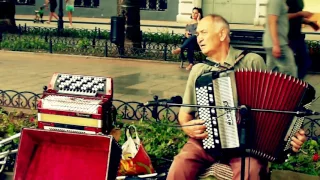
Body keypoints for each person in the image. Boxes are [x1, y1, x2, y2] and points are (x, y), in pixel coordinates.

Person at [166, 14, 307, 180]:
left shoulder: (251, 61)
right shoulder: (199, 70)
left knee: (251, 170)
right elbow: (185, 114)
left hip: (246, 145)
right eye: (197, 34)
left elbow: (272, 107)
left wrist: (291, 136)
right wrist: (187, 127)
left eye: (203, 32)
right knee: (180, 164)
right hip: (206, 141)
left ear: (222, 34)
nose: (199, 38)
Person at [262, 0, 298, 77]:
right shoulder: (276, 1)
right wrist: (276, 44)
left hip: (275, 43)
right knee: (290, 73)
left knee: (272, 74)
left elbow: (282, 18)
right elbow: (272, 21)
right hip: (278, 44)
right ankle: (290, 89)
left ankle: (269, 88)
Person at [286, 0, 319, 79]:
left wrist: (309, 23)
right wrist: (300, 14)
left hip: (298, 37)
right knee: (287, 65)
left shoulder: (299, 1)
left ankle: (296, 83)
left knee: (306, 62)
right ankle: (289, 84)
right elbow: (282, 17)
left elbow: (296, 18)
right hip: (288, 37)